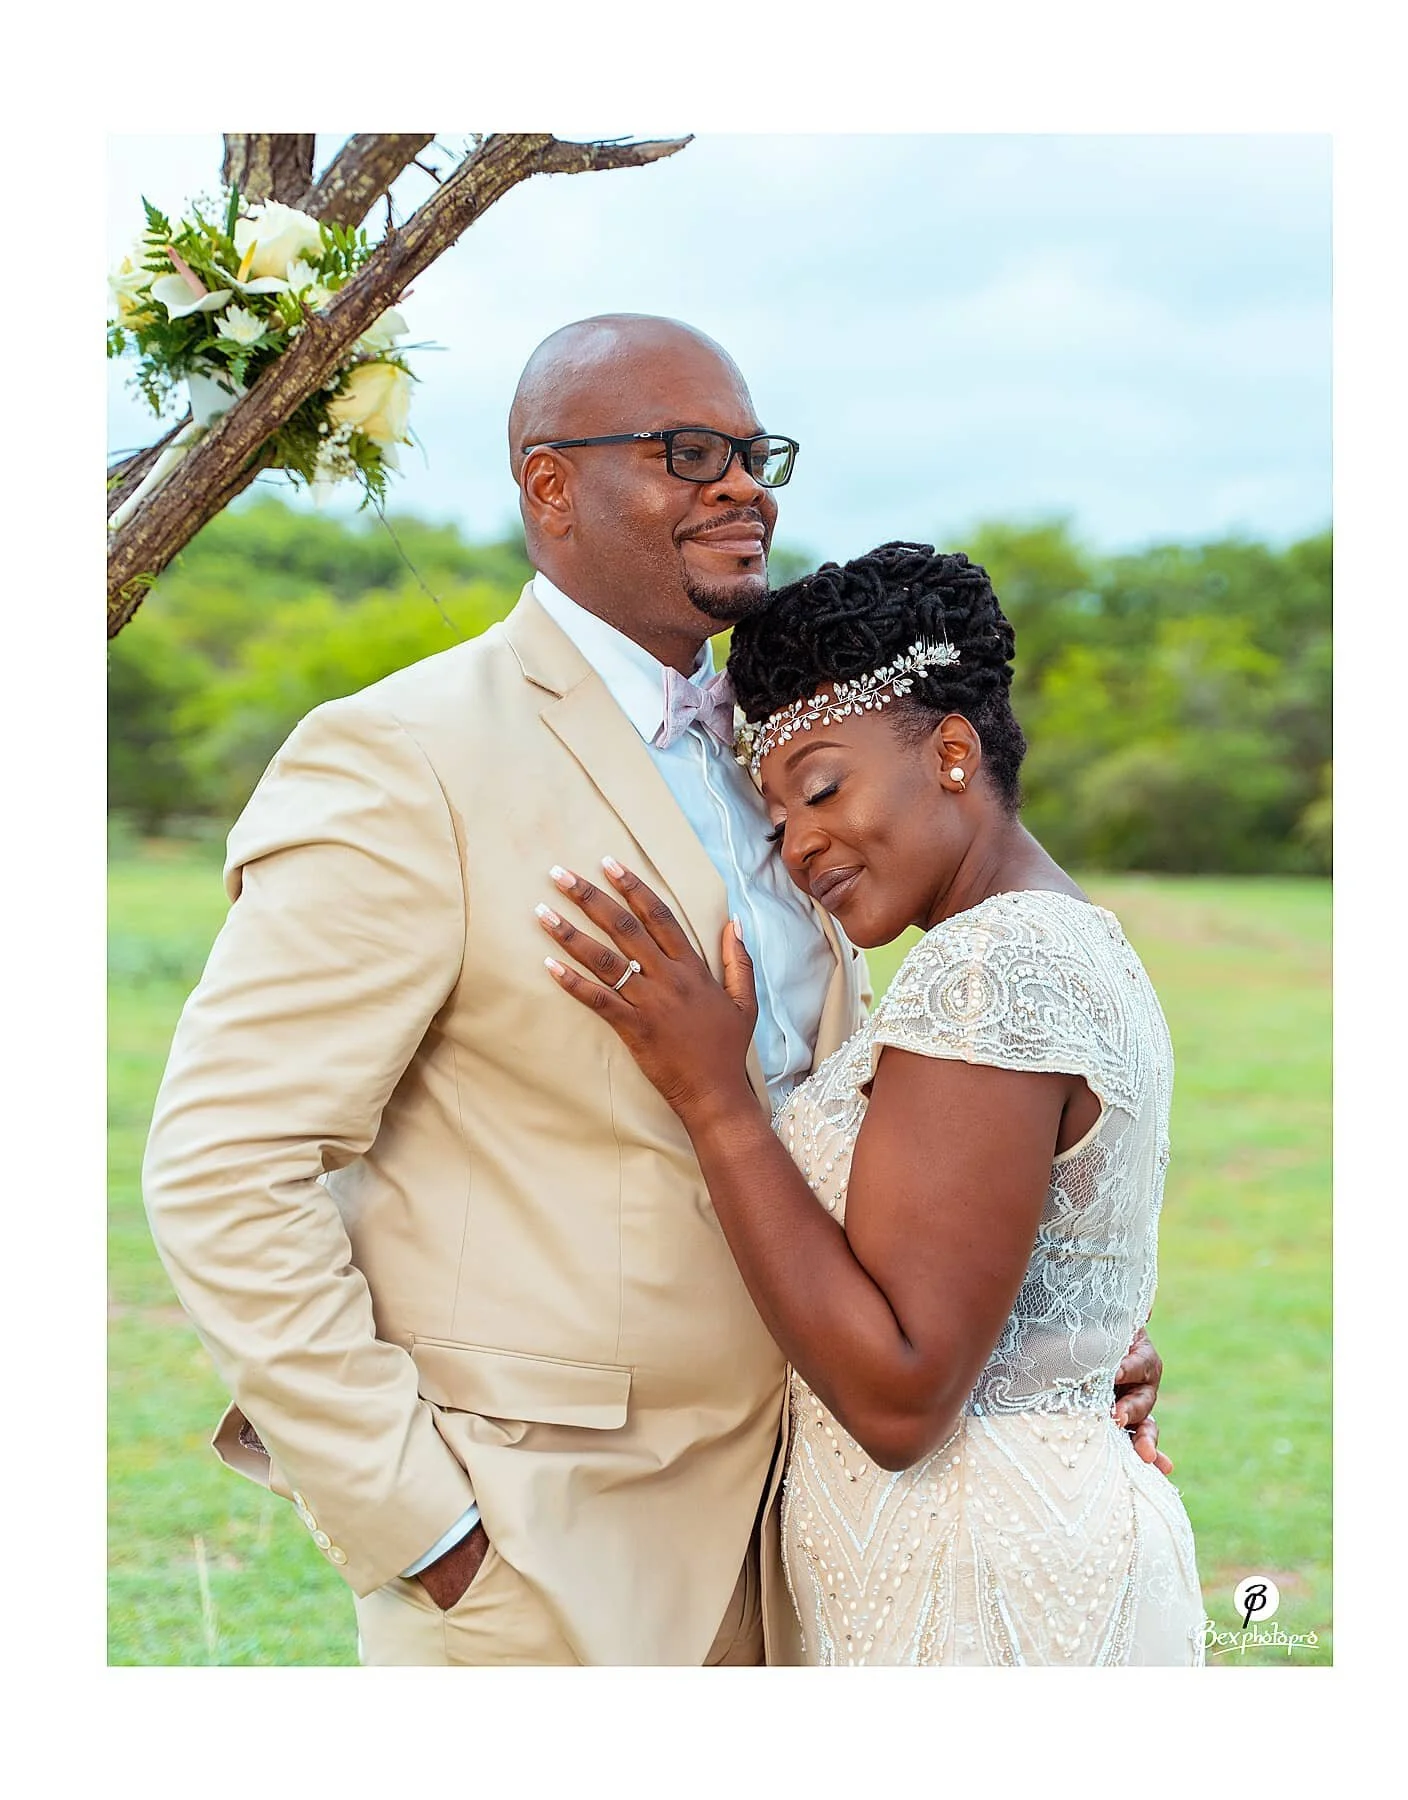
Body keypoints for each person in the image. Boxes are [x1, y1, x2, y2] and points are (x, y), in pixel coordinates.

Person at [142, 316, 1166, 1667]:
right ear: (550, 485)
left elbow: (861, 1123)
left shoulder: (801, 756)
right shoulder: (403, 757)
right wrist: (422, 1527)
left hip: (827, 1540)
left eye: (752, 453)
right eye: (687, 452)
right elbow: (226, 1162)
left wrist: (1033, 1346)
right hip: (548, 1562)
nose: (743, 486)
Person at [538, 539, 1205, 1665]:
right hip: (991, 1548)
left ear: (952, 751)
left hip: (983, 1587)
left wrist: (715, 1097)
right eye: (775, 822)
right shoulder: (1049, 939)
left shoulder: (990, 969)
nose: (800, 844)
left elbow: (900, 1400)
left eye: (823, 789)